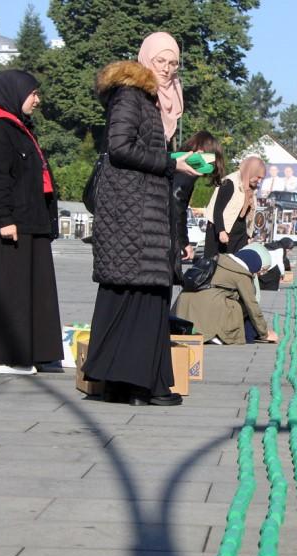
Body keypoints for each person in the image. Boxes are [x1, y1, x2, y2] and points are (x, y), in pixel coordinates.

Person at [81, 32, 201, 406]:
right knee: (142, 293)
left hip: (141, 211)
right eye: (160, 61)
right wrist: (170, 162)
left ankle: (124, 383)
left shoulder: (152, 100)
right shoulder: (131, 95)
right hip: (129, 212)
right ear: (145, 59)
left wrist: (174, 161)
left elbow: (138, 148)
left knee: (139, 294)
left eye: (173, 63)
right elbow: (118, 147)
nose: (166, 69)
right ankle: (143, 384)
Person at [0, 69, 63, 375]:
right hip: (14, 223)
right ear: (14, 93)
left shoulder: (21, 128)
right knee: (10, 292)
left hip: (32, 221)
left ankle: (37, 353)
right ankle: (5, 357)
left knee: (36, 293)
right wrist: (3, 218)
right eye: (33, 93)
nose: (37, 99)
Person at [174, 245, 279, 345]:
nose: (260, 274)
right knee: (239, 306)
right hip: (205, 311)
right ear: (253, 266)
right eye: (262, 270)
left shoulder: (219, 259)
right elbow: (252, 306)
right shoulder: (241, 274)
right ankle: (216, 334)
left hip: (181, 311)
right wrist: (265, 333)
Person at [171, 130, 225, 283]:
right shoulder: (187, 172)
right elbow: (177, 206)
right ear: (201, 153)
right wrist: (183, 243)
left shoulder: (173, 165)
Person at [203, 156, 266, 259]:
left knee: (237, 264)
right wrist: (221, 231)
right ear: (250, 172)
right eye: (258, 177)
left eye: (261, 179)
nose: (259, 181)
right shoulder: (229, 182)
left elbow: (248, 215)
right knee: (215, 265)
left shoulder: (251, 188)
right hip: (220, 230)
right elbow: (217, 209)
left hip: (239, 233)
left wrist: (249, 236)